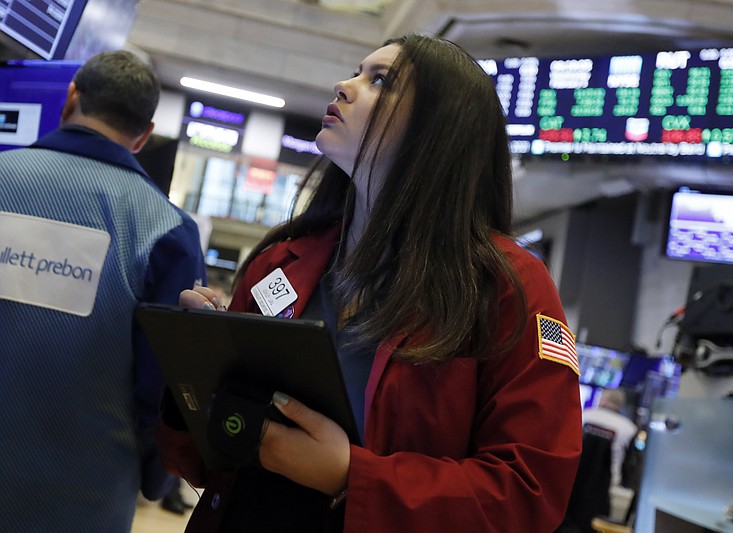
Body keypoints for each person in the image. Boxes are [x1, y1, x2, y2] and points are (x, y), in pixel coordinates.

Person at [159, 33, 582, 532]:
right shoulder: (283, 259)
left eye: (379, 81)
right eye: (357, 71)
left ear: (440, 128)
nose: (344, 85)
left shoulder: (508, 286)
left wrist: (351, 477)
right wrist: (196, 370)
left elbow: (528, 492)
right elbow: (212, 460)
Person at [0, 50, 206, 531]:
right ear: (144, 135)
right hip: (83, 497)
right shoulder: (166, 231)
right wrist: (156, 477)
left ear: (71, 97)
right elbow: (165, 383)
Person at [581, 389, 638, 488]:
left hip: (576, 474)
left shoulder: (584, 416)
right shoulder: (629, 428)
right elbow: (629, 462)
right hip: (609, 484)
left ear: (603, 400)